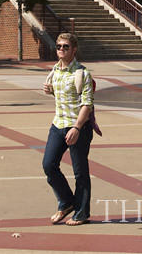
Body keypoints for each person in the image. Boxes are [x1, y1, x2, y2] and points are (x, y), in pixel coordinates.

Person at [42, 32, 94, 226]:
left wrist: (77, 128)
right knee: (49, 164)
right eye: (58, 46)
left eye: (65, 47)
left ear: (74, 49)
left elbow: (86, 104)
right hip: (58, 125)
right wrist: (50, 90)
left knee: (80, 172)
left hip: (77, 127)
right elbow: (62, 95)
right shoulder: (55, 70)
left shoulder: (82, 73)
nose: (61, 50)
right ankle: (66, 203)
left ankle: (81, 213)